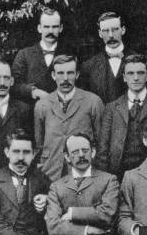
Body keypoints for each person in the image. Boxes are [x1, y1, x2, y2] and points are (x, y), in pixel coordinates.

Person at [96, 54, 147, 180]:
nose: (135, 78)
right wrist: (105, 182)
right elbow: (102, 151)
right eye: (130, 73)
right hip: (118, 175)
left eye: (140, 73)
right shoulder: (112, 108)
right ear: (124, 77)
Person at [34, 54, 104, 182]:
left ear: (77, 75)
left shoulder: (93, 101)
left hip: (84, 171)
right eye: (60, 73)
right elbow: (39, 144)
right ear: (53, 75)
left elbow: (101, 142)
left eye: (70, 73)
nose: (65, 78)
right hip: (51, 172)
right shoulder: (42, 105)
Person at [12, 9, 70, 104]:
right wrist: (33, 91)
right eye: (46, 27)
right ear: (39, 28)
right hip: (31, 113)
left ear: (61, 28)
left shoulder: (70, 54)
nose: (50, 31)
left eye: (55, 27)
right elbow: (13, 84)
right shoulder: (24, 54)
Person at [79, 11, 138, 104]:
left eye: (114, 30)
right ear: (100, 34)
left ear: (123, 30)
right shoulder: (89, 66)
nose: (111, 35)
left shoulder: (139, 62)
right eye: (106, 31)